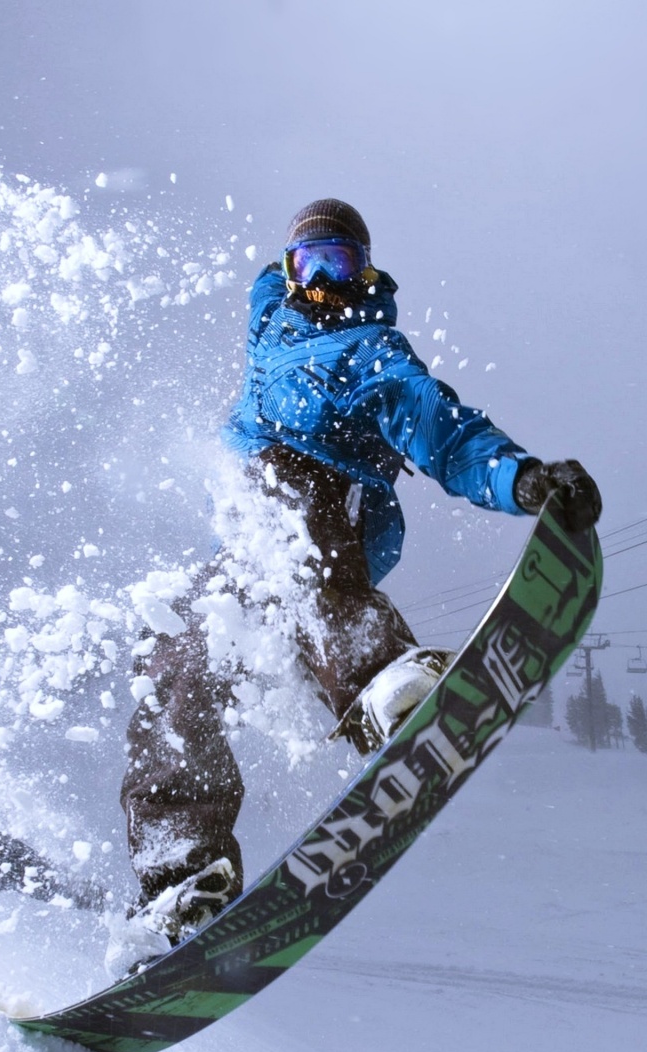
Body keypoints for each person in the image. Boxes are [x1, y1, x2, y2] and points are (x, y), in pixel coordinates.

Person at [105, 198, 602, 976]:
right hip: (242, 561)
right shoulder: (269, 319)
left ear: (365, 272)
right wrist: (282, 268)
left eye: (342, 264)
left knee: (284, 488)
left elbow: (451, 435)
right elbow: (263, 284)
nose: (326, 281)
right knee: (173, 654)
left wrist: (526, 478)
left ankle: (381, 678)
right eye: (312, 265)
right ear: (289, 273)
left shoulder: (374, 352)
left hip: (330, 526)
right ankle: (182, 873)